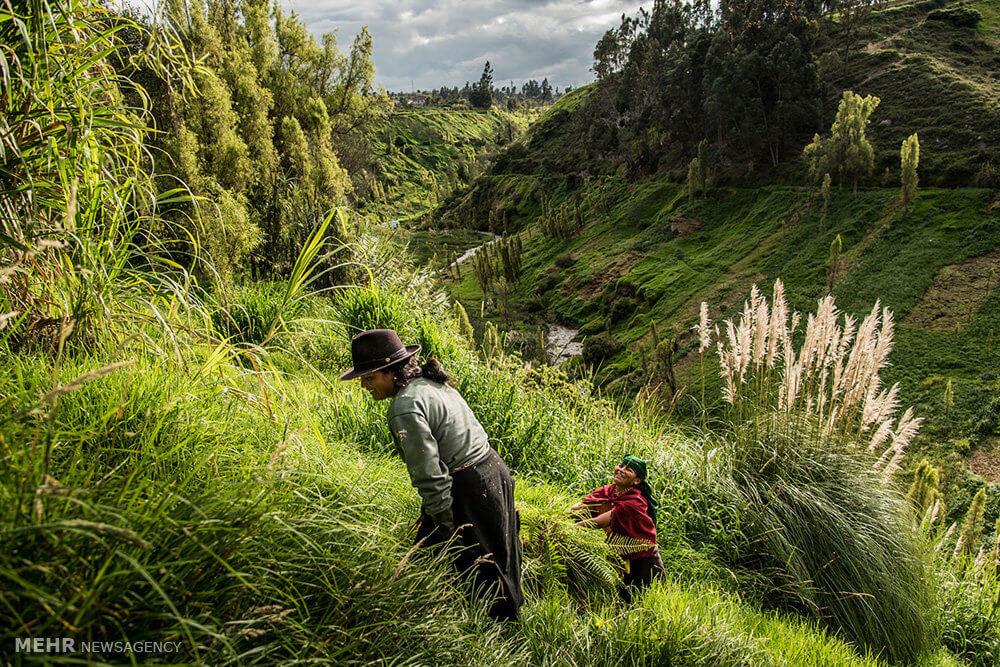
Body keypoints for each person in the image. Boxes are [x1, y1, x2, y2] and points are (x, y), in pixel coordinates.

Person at [340, 328, 523, 621]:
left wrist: (448, 524)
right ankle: (444, 616)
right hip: (492, 470)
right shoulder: (429, 383)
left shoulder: (404, 407)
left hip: (470, 485)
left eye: (369, 377)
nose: (364, 385)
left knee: (479, 562)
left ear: (390, 373)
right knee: (496, 552)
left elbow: (430, 476)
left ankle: (496, 627)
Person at [571, 455, 664, 603]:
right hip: (620, 553)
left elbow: (598, 522)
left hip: (644, 559)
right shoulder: (609, 491)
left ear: (637, 480)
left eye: (628, 470)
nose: (621, 470)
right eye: (620, 466)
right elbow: (583, 507)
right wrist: (559, 516)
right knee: (617, 598)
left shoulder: (635, 502)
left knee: (641, 600)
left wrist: (568, 528)